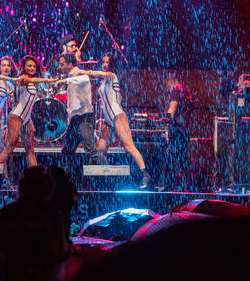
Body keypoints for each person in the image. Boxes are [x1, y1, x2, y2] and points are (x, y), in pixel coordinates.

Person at [77, 53, 151, 188]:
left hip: (117, 116)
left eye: (107, 62)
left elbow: (101, 76)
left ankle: (145, 174)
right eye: (103, 62)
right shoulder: (104, 80)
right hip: (108, 121)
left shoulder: (112, 75)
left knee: (128, 147)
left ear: (112, 64)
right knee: (100, 149)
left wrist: (85, 72)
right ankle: (104, 179)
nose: (105, 65)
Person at [0, 55, 57, 176]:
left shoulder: (33, 80)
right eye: (29, 66)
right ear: (24, 67)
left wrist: (47, 80)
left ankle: (37, 178)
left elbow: (40, 87)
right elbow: (32, 80)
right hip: (16, 116)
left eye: (34, 66)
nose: (32, 68)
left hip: (26, 119)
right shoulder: (23, 77)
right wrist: (46, 81)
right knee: (9, 148)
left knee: (30, 150)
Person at [56, 53, 104, 169]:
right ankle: (65, 176)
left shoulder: (79, 73)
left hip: (84, 118)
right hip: (76, 118)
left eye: (61, 64)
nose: (59, 67)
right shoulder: (71, 76)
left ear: (70, 65)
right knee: (67, 151)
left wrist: (64, 81)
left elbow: (85, 78)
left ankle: (109, 174)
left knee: (91, 150)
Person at [164, 72, 194, 188]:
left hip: (177, 130)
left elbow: (172, 110)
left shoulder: (176, 90)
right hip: (185, 130)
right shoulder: (187, 91)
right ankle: (186, 185)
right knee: (182, 158)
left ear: (171, 81)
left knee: (172, 157)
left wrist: (163, 122)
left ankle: (173, 185)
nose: (166, 87)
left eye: (166, 84)